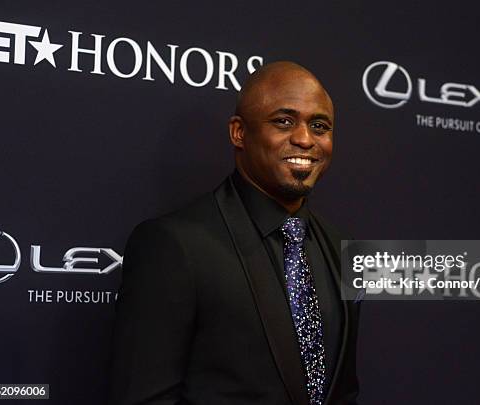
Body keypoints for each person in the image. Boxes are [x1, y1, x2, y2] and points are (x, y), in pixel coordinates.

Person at [108, 61, 360, 405]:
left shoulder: (339, 248)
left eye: (319, 126)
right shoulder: (173, 245)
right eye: (284, 121)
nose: (304, 139)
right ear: (238, 132)